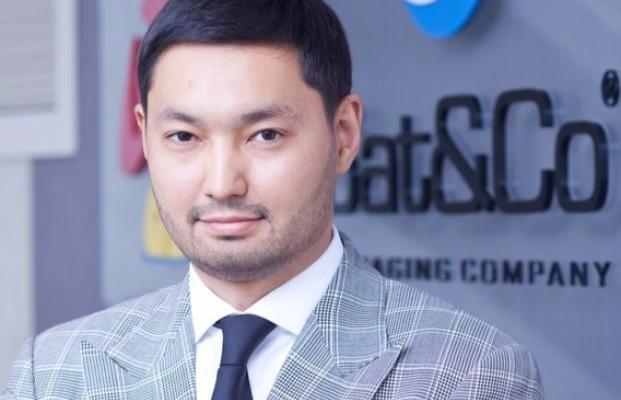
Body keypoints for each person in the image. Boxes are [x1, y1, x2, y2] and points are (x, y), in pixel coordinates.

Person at [3, 0, 544, 399]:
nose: (222, 183)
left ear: (344, 133)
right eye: (184, 137)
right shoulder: (54, 373)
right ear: (144, 136)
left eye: (265, 135)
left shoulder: (470, 374)